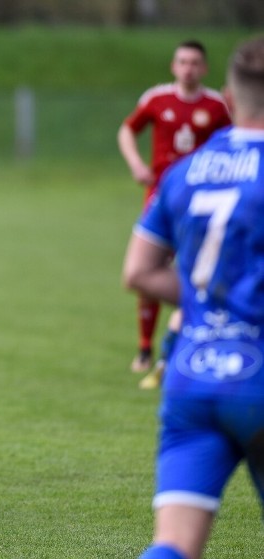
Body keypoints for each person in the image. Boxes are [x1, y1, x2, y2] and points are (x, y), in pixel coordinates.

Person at [122, 35, 264, 559]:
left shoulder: (183, 174)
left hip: (193, 378)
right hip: (260, 375)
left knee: (174, 547)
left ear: (227, 96)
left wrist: (212, 299)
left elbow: (138, 271)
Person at [118, 39, 232, 377]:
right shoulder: (157, 98)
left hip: (204, 203)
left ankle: (194, 343)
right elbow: (128, 129)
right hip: (160, 197)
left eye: (195, 62)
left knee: (201, 271)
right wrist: (137, 165)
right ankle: (144, 347)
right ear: (173, 66)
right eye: (183, 61)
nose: (188, 68)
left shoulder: (217, 105)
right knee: (150, 270)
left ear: (205, 68)